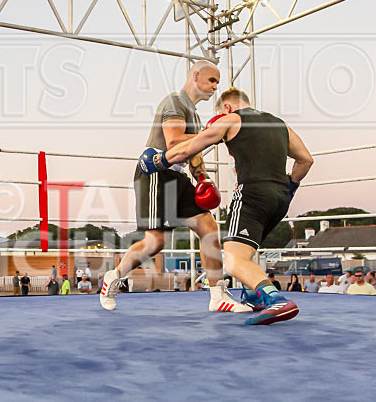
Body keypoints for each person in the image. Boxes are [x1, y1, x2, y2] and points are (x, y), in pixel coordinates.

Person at [133, 85, 314, 325]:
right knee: (245, 251)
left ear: (227, 107)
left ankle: (275, 299)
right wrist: (289, 187)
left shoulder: (231, 120)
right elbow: (306, 160)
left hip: (252, 195)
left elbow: (189, 147)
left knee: (234, 261)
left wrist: (158, 160)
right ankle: (253, 295)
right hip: (280, 199)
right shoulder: (280, 125)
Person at [101, 64, 252, 316]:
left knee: (208, 227)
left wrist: (203, 178)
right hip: (155, 172)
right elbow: (173, 141)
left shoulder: (195, 114)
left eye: (218, 82)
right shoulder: (175, 101)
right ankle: (113, 277)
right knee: (155, 242)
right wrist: (214, 133)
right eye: (212, 80)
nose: (216, 87)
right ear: (196, 77)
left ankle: (217, 295)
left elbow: (193, 154)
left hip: (177, 175)